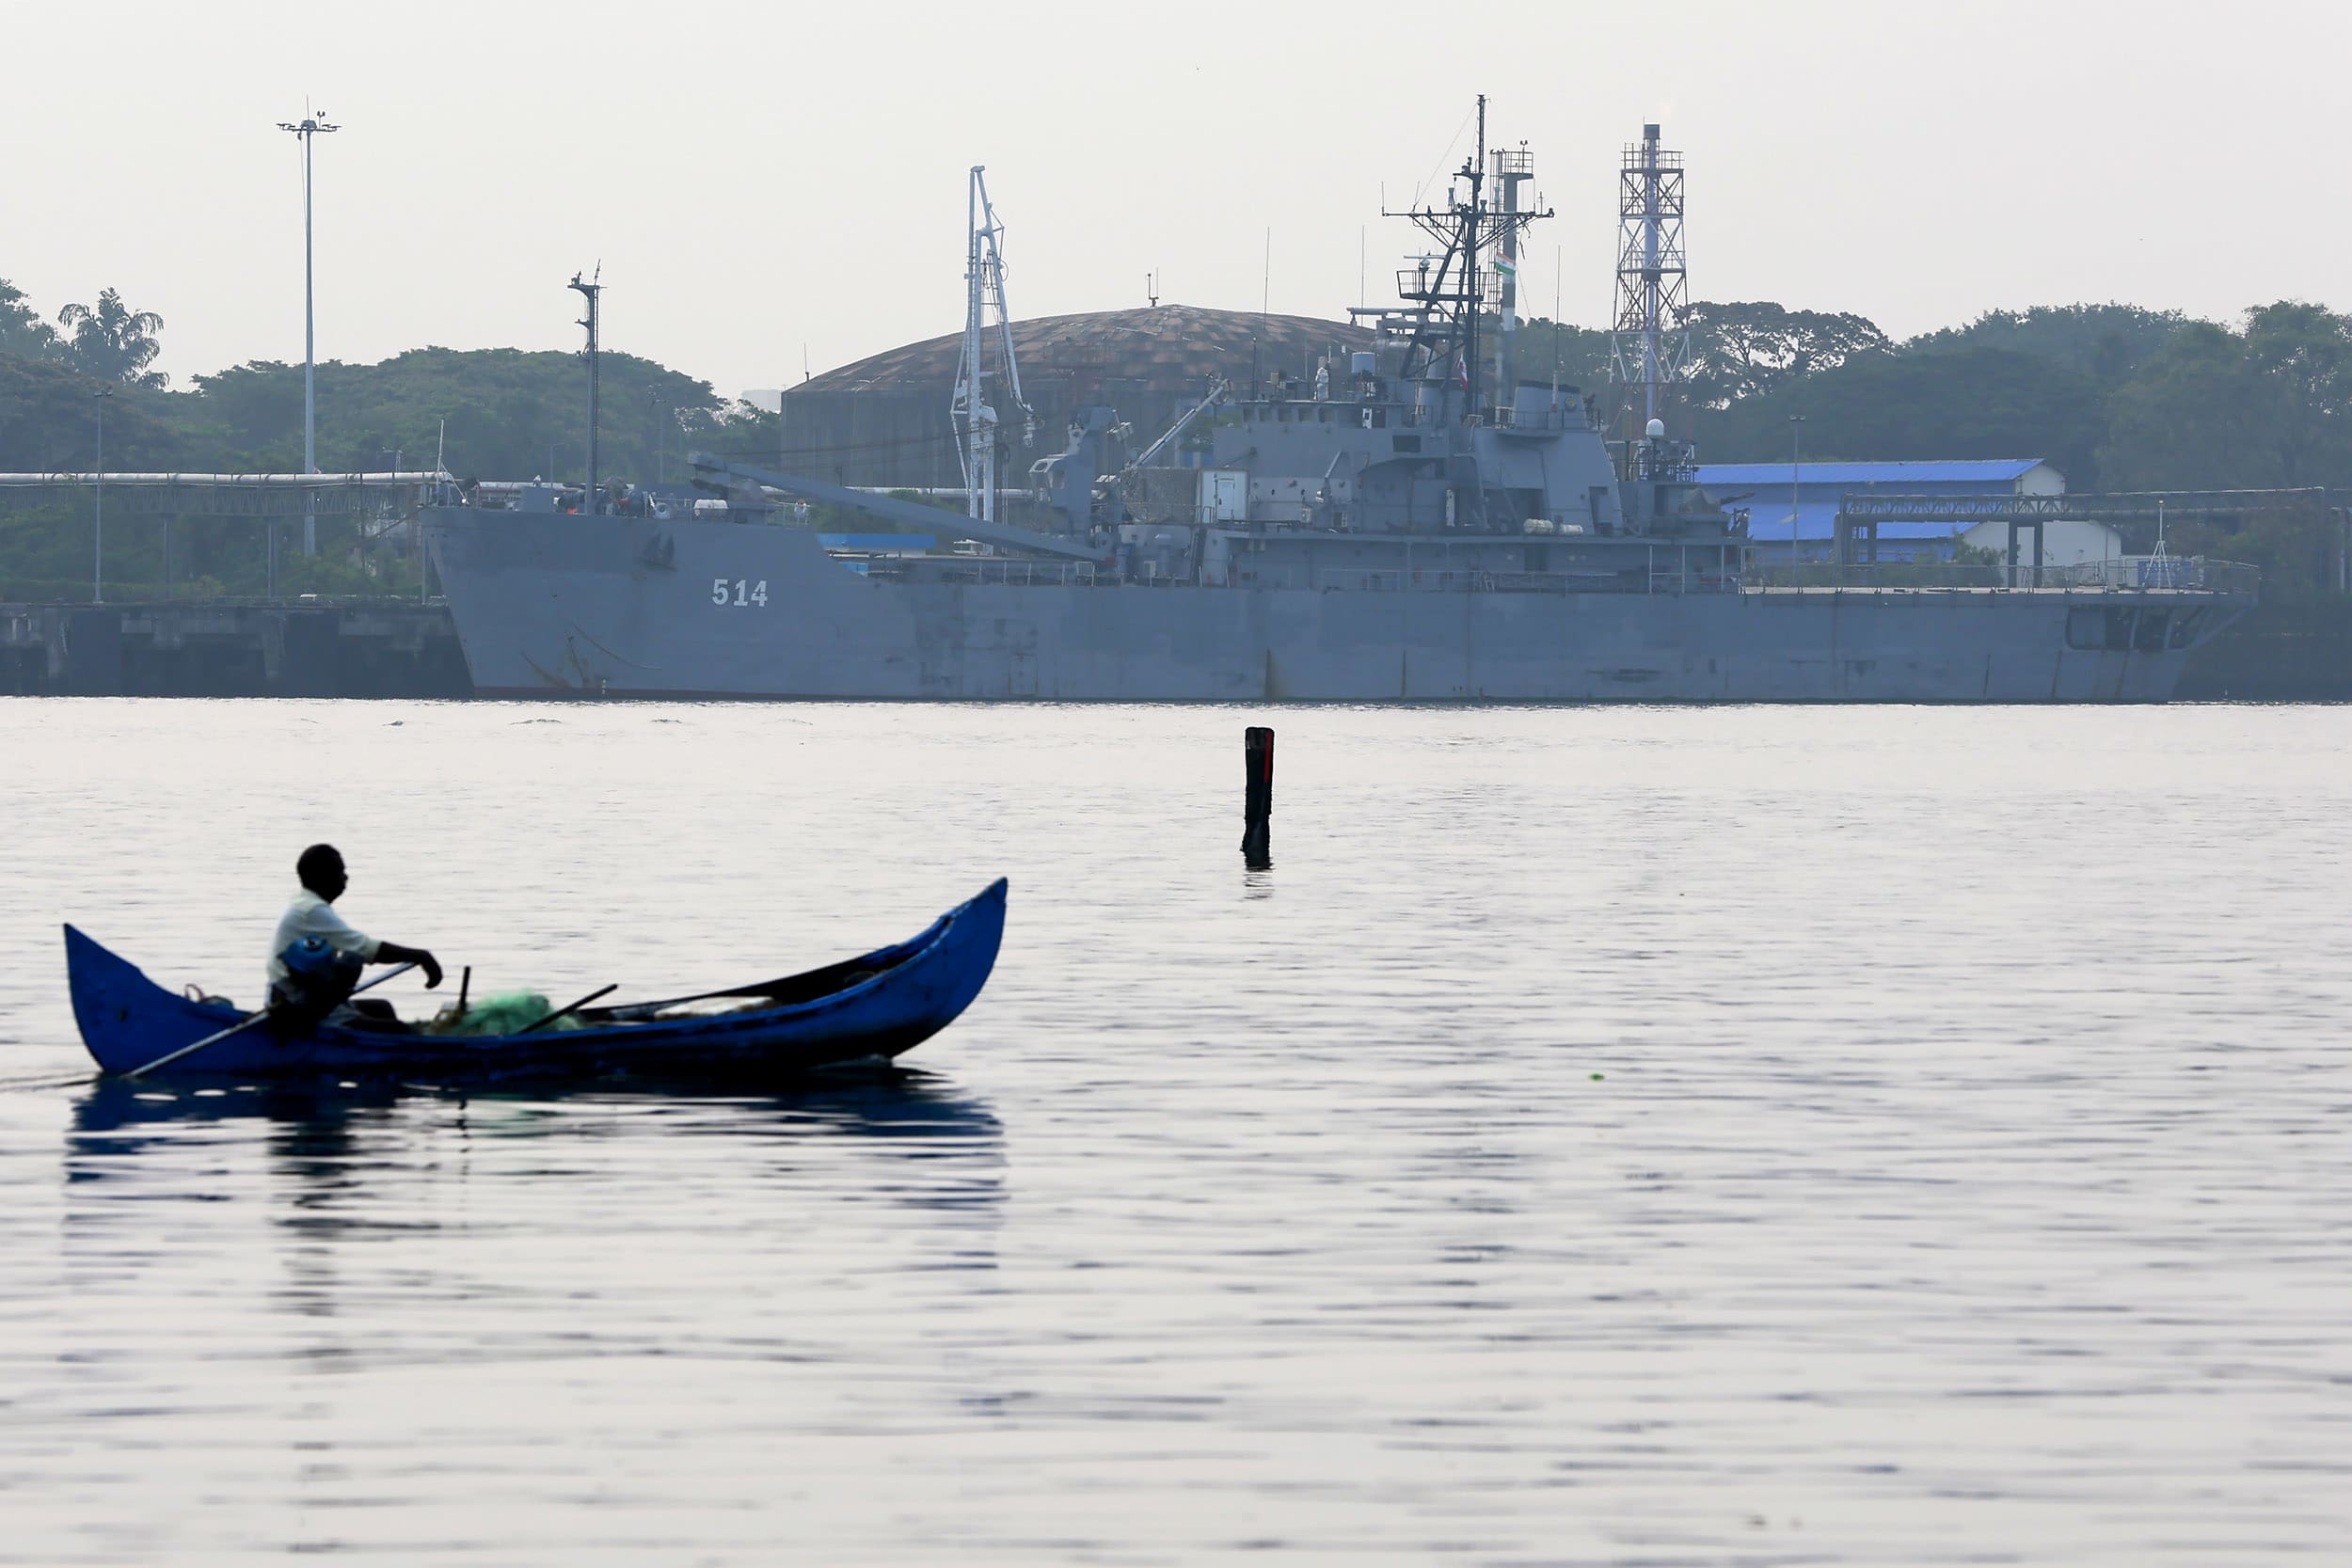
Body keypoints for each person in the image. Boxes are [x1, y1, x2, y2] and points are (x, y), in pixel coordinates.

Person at [267, 844, 442, 1030]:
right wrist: (421, 956)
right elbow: (366, 949)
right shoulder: (313, 911)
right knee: (397, 1028)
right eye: (340, 871)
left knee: (383, 1008)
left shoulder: (303, 902)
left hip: (300, 995)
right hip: (297, 1003)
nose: (345, 877)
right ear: (323, 876)